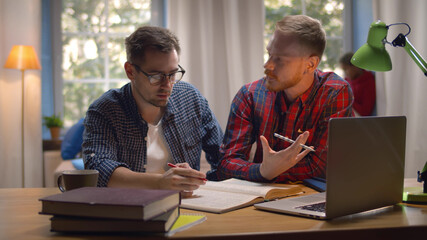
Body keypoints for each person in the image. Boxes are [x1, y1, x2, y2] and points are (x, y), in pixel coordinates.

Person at [82, 26, 223, 196]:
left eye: (172, 74)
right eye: (155, 76)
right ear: (130, 71)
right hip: (129, 210)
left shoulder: (190, 98)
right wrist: (161, 183)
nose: (167, 85)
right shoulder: (105, 110)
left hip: (188, 208)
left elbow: (222, 156)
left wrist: (200, 181)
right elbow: (98, 168)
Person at [217, 15, 354, 182]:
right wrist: (262, 171)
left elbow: (323, 167)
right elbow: (226, 164)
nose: (267, 65)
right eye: (269, 54)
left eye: (280, 59)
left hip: (310, 199)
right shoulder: (250, 95)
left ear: (310, 64)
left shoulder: (335, 92)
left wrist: (268, 172)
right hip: (261, 200)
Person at [339, 52, 376, 116]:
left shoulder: (368, 82)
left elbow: (365, 112)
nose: (345, 73)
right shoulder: (346, 81)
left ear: (355, 66)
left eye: (346, 69)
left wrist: (348, 99)